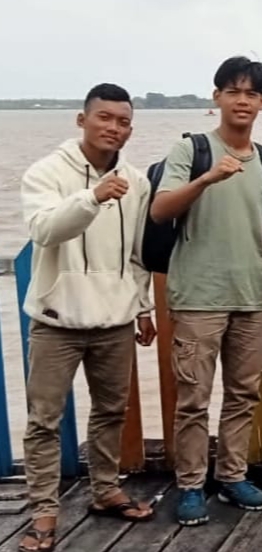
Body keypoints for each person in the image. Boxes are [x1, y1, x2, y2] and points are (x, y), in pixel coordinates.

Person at [149, 56, 262, 526]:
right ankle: (191, 484)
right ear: (217, 97)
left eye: (251, 93)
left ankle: (232, 476)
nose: (242, 101)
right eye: (233, 91)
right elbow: (160, 210)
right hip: (197, 297)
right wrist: (208, 177)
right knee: (193, 399)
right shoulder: (191, 150)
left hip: (249, 296)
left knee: (243, 395)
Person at [18, 83, 157, 551]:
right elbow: (43, 230)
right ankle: (43, 511)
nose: (114, 128)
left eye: (123, 122)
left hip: (115, 319)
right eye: (105, 117)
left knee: (111, 411)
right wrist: (92, 198)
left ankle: (105, 490)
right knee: (44, 420)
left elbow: (137, 254)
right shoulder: (46, 172)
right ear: (82, 120)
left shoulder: (136, 181)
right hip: (56, 320)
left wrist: (143, 308)